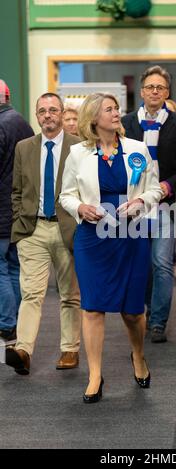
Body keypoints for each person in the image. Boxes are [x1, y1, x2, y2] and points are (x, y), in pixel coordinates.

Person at [60, 92, 162, 403]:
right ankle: (94, 375)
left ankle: (139, 356)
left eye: (117, 108)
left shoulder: (137, 148)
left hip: (131, 234)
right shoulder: (78, 154)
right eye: (109, 109)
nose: (116, 113)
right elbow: (65, 195)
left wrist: (141, 201)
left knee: (132, 312)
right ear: (94, 118)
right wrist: (80, 209)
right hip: (93, 238)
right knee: (92, 308)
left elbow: (156, 188)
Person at [6, 92, 82, 375]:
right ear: (36, 116)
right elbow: (17, 190)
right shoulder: (24, 148)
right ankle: (23, 350)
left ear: (62, 114)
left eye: (53, 110)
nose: (47, 115)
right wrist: (20, 220)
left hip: (68, 229)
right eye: (42, 111)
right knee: (31, 294)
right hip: (32, 229)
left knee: (69, 294)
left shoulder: (79, 147)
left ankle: (70, 349)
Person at [122, 65, 176, 343]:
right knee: (142, 263)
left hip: (165, 204)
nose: (155, 92)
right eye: (150, 87)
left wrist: (167, 186)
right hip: (134, 206)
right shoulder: (125, 124)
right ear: (142, 90)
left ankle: (158, 321)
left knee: (161, 262)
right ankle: (146, 309)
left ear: (167, 92)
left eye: (160, 87)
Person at [0, 80, 34, 343]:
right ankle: (17, 323)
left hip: (1, 211)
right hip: (18, 210)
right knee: (14, 268)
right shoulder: (22, 123)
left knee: (1, 269)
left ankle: (6, 323)